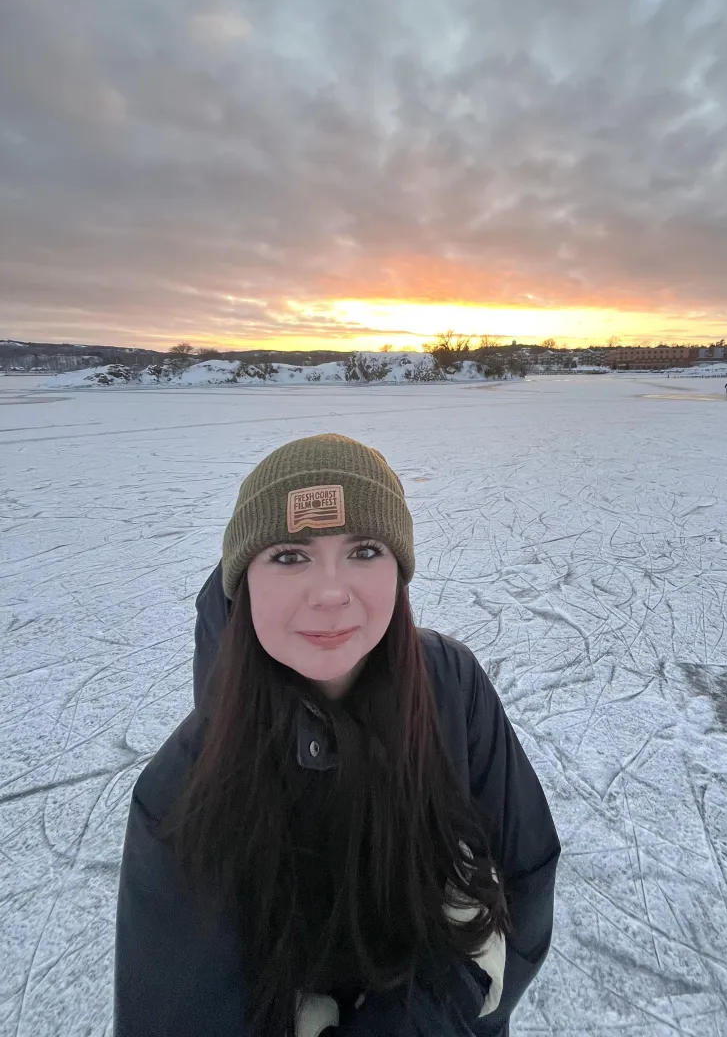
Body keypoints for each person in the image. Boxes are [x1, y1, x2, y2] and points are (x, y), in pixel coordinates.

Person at [114, 434, 560, 1037]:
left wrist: (467, 981)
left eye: (365, 549)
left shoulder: (454, 687)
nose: (330, 592)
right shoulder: (180, 792)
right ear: (243, 580)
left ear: (399, 571)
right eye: (290, 555)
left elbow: (527, 869)